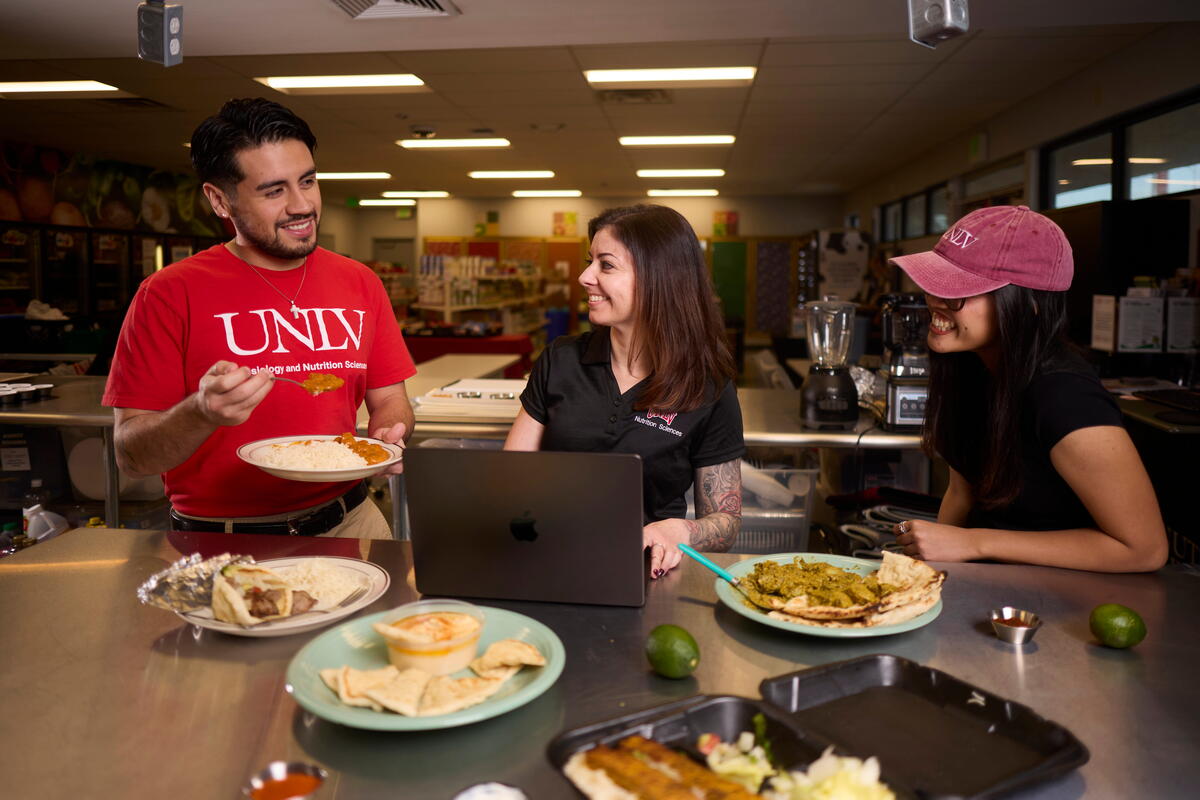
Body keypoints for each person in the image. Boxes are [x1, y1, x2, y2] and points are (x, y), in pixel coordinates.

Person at [103, 98, 416, 538]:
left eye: (307, 181)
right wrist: (201, 412)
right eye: (274, 191)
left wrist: (389, 431)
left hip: (352, 523)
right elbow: (132, 457)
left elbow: (389, 399)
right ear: (219, 200)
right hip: (220, 537)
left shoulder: (359, 281)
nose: (301, 205)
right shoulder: (168, 294)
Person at [889, 205, 1167, 572]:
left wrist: (974, 542)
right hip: (993, 584)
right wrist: (920, 574)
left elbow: (1144, 549)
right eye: (934, 284)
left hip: (1066, 603)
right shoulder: (969, 366)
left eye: (957, 292)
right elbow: (962, 492)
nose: (936, 302)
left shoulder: (1065, 397)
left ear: (1028, 306)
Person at [505, 204, 745, 578]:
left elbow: (725, 521)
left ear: (658, 278)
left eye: (606, 264)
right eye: (590, 261)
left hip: (648, 575)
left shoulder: (708, 384)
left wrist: (681, 530)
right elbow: (511, 475)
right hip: (548, 560)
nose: (585, 277)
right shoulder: (560, 359)